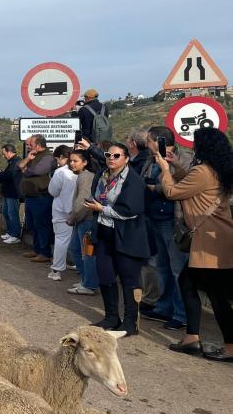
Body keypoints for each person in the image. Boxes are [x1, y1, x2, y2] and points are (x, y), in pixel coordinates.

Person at [157, 128, 233, 361]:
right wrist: (177, 166)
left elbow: (171, 192)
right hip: (219, 237)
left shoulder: (203, 171)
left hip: (209, 243)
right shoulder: (216, 170)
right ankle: (192, 337)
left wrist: (164, 169)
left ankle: (230, 346)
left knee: (217, 296)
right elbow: (190, 185)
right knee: (188, 282)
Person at [83, 142, 149, 336]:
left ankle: (130, 323)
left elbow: (130, 211)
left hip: (127, 235)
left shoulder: (133, 180)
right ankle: (111, 316)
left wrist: (101, 209)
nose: (111, 158)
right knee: (105, 275)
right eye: (108, 155)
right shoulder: (102, 175)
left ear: (126, 158)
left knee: (129, 279)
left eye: (116, 155)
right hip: (104, 232)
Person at [140, 126, 191, 330]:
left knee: (178, 270)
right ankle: (164, 307)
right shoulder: (150, 159)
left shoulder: (183, 157)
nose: (147, 144)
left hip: (174, 220)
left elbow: (184, 183)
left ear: (158, 140)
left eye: (149, 140)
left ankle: (182, 314)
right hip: (154, 218)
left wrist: (156, 187)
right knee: (161, 267)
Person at [66, 149, 99, 295]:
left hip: (86, 220)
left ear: (85, 163)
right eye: (70, 161)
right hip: (82, 219)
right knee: (75, 249)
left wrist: (73, 217)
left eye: (75, 161)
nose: (72, 164)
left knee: (87, 253)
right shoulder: (83, 175)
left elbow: (83, 200)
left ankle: (89, 284)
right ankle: (86, 280)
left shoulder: (86, 177)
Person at [18, 134, 55, 263]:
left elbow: (36, 171)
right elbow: (20, 166)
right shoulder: (33, 156)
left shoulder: (48, 157)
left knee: (42, 225)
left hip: (41, 196)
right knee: (33, 225)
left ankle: (44, 252)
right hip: (31, 196)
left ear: (38, 146)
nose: (28, 147)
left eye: (30, 145)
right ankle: (37, 249)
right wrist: (27, 160)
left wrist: (25, 170)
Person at [46, 145, 75, 281]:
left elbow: (53, 191)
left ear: (62, 157)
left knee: (61, 240)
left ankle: (56, 270)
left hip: (62, 211)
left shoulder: (61, 172)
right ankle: (75, 264)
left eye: (58, 159)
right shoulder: (83, 171)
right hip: (79, 210)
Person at [0, 144, 22, 244]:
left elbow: (9, 175)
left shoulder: (16, 161)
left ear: (9, 152)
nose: (3, 156)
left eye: (4, 154)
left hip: (13, 193)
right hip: (8, 192)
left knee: (12, 214)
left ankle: (15, 235)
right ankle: (10, 232)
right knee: (6, 212)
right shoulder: (11, 162)